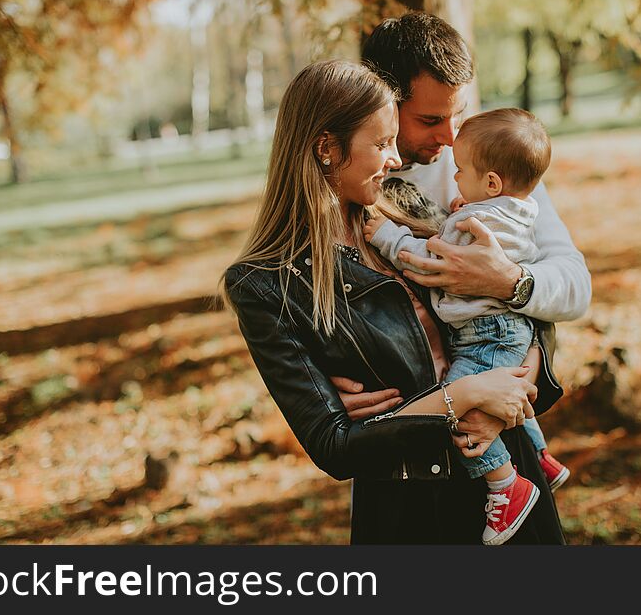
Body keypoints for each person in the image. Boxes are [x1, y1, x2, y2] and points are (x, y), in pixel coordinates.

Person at [223, 59, 567, 544]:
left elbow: (518, 311)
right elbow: (335, 444)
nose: (395, 158)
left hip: (512, 476)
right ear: (326, 148)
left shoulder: (410, 209)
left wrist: (519, 375)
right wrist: (463, 396)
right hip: (415, 509)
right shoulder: (268, 284)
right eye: (381, 144)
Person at [333, 11, 589, 486]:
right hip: (403, 469)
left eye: (458, 113)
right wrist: (327, 392)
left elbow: (574, 286)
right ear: (383, 101)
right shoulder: (347, 182)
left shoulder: (490, 164)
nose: (450, 138)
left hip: (502, 438)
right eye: (430, 120)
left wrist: (508, 282)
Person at [365, 107, 568, 544]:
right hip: (515, 330)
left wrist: (384, 233)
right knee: (505, 390)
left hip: (486, 336)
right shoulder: (516, 209)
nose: (454, 177)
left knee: (460, 412)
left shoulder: (469, 220)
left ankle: (505, 486)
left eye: (461, 171)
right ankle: (541, 455)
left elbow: (427, 260)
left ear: (491, 183)